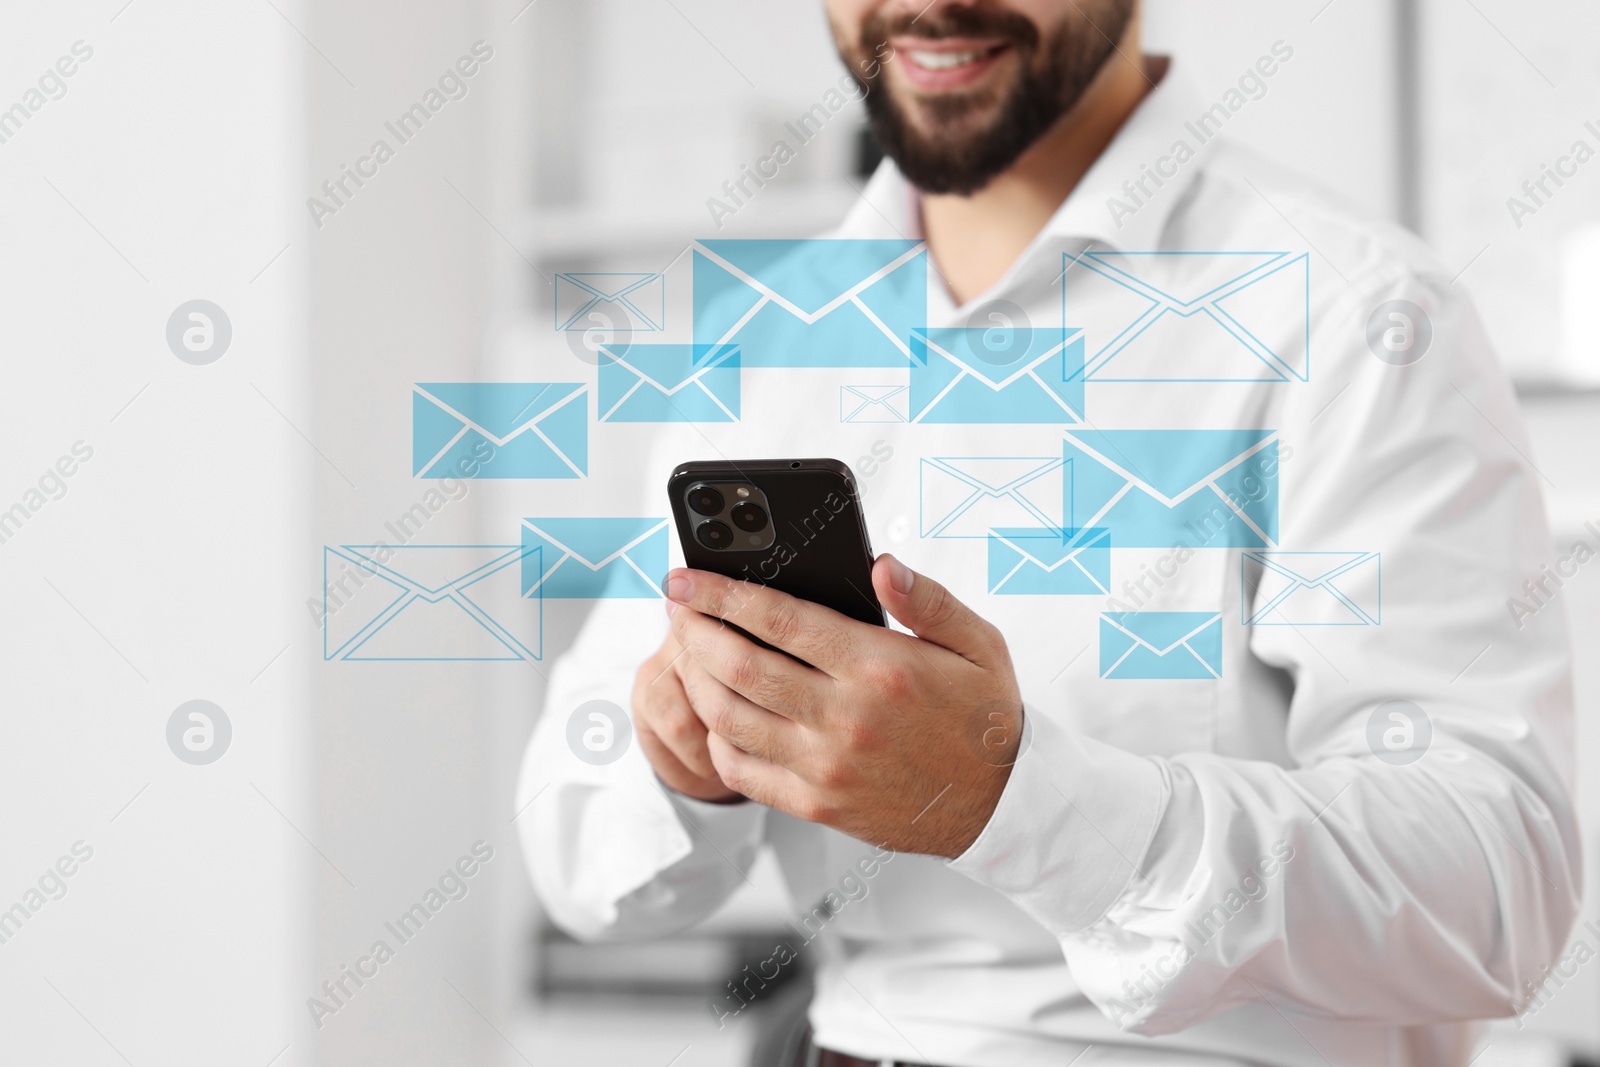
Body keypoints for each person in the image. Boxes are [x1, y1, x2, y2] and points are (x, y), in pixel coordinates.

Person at [517, 2, 1582, 1064]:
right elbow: (577, 854)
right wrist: (678, 759)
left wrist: (1011, 796)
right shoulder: (762, 338)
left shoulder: (1359, 317)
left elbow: (1496, 890)